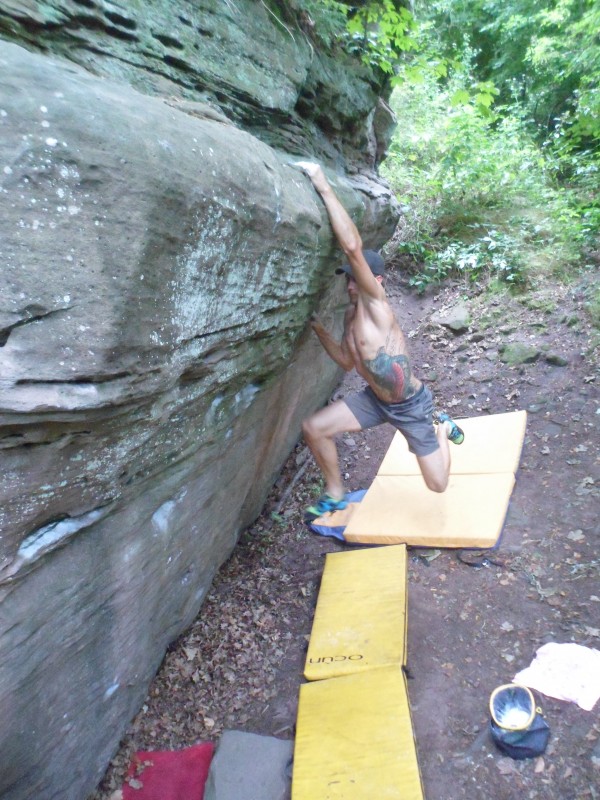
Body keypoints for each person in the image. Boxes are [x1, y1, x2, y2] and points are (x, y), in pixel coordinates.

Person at [294, 161, 464, 520]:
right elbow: (346, 362)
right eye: (348, 280)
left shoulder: (376, 305)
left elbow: (353, 248)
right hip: (375, 400)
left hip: (412, 406)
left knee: (438, 485)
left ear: (377, 281)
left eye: (356, 279)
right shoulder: (349, 314)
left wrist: (322, 184)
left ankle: (442, 428)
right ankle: (336, 492)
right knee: (314, 427)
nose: (350, 284)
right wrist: (321, 331)